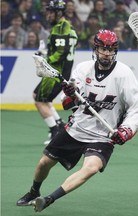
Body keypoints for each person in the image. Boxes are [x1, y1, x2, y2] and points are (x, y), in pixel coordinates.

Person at [16, 29, 138, 212]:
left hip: (103, 135)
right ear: (96, 48)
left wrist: (126, 130)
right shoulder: (83, 69)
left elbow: (136, 106)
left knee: (91, 168)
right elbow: (67, 104)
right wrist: (70, 95)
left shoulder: (124, 74)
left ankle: (49, 199)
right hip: (77, 128)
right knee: (44, 163)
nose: (107, 53)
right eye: (103, 49)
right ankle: (33, 191)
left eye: (111, 50)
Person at [32, 0, 78, 145]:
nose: (48, 15)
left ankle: (55, 131)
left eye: (51, 12)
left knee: (40, 101)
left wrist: (45, 60)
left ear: (59, 13)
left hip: (56, 72)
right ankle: (58, 124)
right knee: (38, 96)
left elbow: (61, 52)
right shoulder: (69, 27)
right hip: (60, 71)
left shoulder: (60, 27)